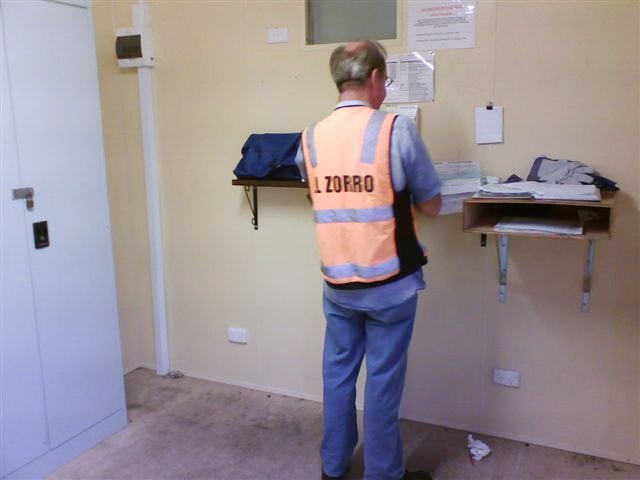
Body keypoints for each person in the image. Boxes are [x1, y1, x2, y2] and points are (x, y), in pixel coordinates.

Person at [296, 39, 442, 480]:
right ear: (376, 78)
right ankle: (384, 474)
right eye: (386, 80)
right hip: (389, 287)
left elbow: (320, 196)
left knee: (338, 378)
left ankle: (333, 468)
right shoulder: (395, 130)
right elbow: (432, 204)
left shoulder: (309, 137)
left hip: (337, 286)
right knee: (382, 383)